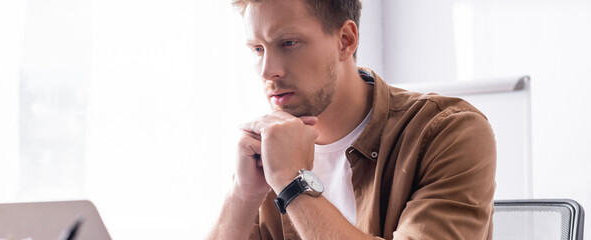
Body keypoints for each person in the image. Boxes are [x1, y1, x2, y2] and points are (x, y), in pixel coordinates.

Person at [207, 0, 496, 239]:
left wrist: (292, 183)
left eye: (288, 43)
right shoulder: (268, 145)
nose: (267, 71)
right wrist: (242, 195)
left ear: (345, 40)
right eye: (258, 49)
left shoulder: (448, 131)